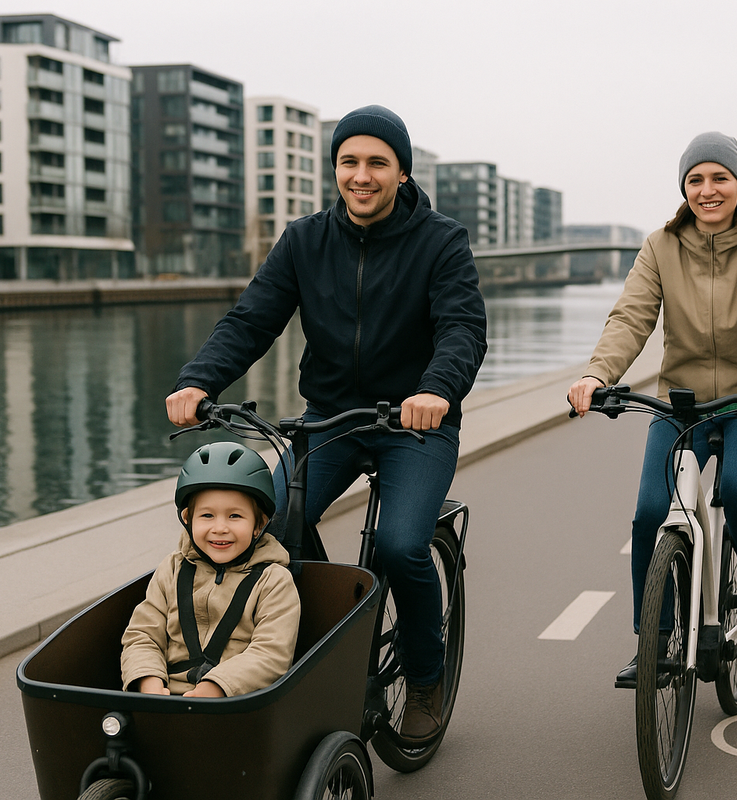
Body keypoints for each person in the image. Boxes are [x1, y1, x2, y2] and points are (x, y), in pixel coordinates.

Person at [166, 105, 488, 740]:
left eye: (377, 163)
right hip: (331, 418)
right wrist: (198, 380)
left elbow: (462, 328)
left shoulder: (441, 241)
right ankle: (314, 636)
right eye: (349, 162)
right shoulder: (304, 240)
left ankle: (425, 676)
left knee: (400, 545)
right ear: (335, 168)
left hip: (416, 425)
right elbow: (252, 318)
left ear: (402, 173)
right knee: (269, 525)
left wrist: (435, 390)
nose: (361, 175)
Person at [567, 132, 737, 689]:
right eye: (695, 179)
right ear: (684, 188)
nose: (707, 190)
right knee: (651, 511)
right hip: (683, 405)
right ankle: (652, 643)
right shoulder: (661, 246)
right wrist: (597, 374)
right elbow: (631, 316)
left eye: (719, 178)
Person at [120, 442, 301, 697]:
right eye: (207, 516)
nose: (220, 528)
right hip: (166, 695)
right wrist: (148, 680)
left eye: (235, 516)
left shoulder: (273, 581)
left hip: (235, 698)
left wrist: (215, 687)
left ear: (259, 525)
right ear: (187, 519)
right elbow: (143, 635)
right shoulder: (172, 570)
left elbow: (271, 653)